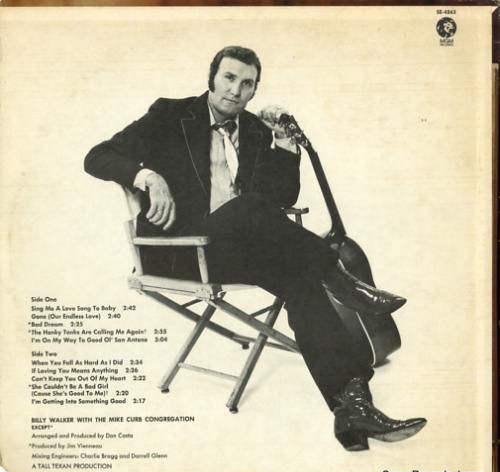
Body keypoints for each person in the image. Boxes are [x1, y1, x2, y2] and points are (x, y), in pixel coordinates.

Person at [85, 46, 426, 451]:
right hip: (181, 251)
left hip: (233, 251)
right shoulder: (171, 114)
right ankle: (341, 280)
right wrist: (147, 176)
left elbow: (280, 198)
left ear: (255, 90)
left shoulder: (256, 130)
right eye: (229, 78)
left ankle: (353, 408)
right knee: (251, 208)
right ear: (212, 78)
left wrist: (283, 143)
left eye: (247, 84)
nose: (236, 90)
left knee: (300, 279)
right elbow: (97, 156)